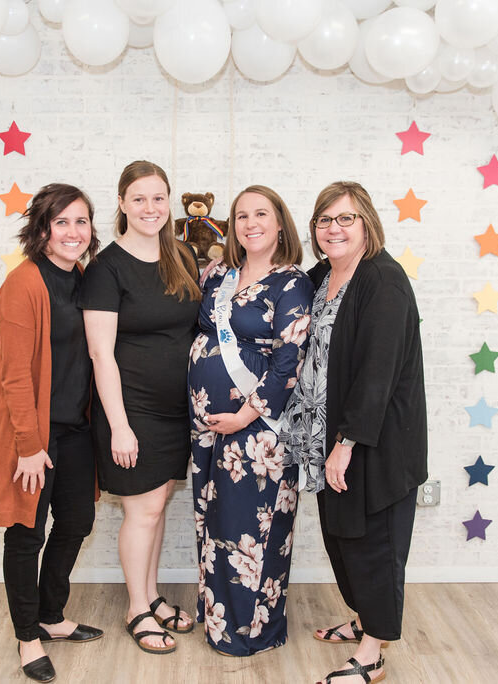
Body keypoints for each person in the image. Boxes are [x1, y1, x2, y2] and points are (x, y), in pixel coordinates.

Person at [282, 181, 427, 684]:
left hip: (373, 441)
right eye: (325, 220)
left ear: (366, 223)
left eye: (345, 219)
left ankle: (373, 653)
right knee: (340, 537)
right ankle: (365, 620)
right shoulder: (321, 276)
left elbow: (377, 372)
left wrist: (346, 444)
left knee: (374, 544)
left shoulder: (383, 280)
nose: (334, 229)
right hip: (323, 437)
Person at [0, 183, 104, 683]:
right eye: (62, 222)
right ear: (42, 229)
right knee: (26, 534)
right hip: (29, 435)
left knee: (75, 522)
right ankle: (27, 636)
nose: (73, 232)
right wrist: (29, 447)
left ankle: (52, 616)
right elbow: (14, 375)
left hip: (75, 430)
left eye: (81, 222)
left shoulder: (83, 278)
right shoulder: (23, 284)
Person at [79, 160, 201, 655]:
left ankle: (150, 598)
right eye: (139, 199)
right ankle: (136, 608)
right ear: (123, 204)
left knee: (156, 505)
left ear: (168, 202)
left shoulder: (183, 254)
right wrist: (119, 427)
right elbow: (99, 353)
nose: (150, 208)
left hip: (180, 410)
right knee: (143, 511)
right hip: (132, 410)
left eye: (158, 198)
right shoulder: (106, 268)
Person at [188, 185, 313, 656]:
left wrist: (243, 415)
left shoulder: (291, 282)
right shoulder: (220, 274)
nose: (250, 223)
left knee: (252, 528)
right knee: (213, 521)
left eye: (261, 214)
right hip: (208, 426)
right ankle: (218, 620)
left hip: (258, 430)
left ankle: (252, 630)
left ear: (280, 223)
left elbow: (289, 361)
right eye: (241, 215)